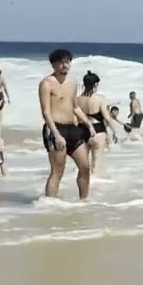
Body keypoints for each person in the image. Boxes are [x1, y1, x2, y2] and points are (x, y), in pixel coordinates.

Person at [39, 49, 97, 200]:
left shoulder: (73, 82)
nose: (64, 65)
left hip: (73, 129)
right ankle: (48, 205)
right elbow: (45, 112)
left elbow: (75, 107)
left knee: (85, 167)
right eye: (60, 62)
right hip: (55, 129)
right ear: (53, 65)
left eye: (67, 62)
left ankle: (84, 201)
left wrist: (88, 124)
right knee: (58, 171)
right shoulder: (46, 83)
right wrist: (56, 135)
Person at [77, 71, 117, 176]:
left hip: (81, 132)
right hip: (98, 132)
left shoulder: (77, 100)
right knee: (96, 163)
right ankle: (94, 187)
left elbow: (74, 118)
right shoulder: (100, 99)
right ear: (95, 85)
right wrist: (114, 132)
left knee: (83, 165)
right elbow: (107, 117)